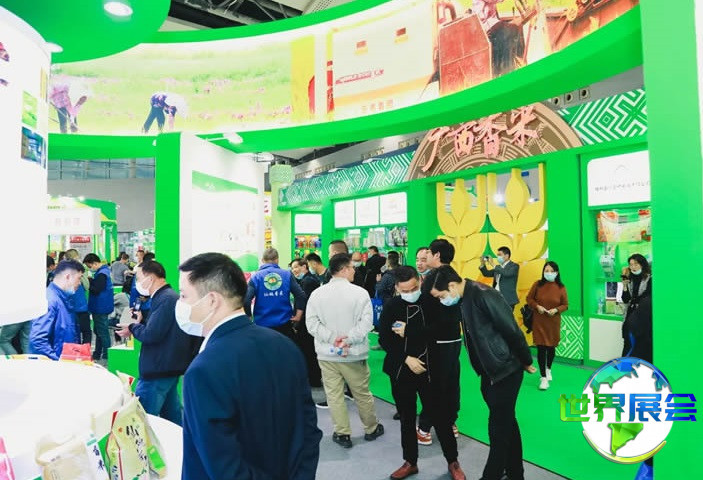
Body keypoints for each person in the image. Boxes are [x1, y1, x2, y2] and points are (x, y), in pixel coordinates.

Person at [177, 252, 321, 479]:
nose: (180, 303)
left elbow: (223, 466)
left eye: (184, 295)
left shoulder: (203, 370)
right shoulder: (285, 346)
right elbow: (308, 430)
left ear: (212, 300)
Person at [431, 265, 536, 480]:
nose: (442, 300)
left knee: (498, 429)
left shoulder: (484, 295)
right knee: (507, 423)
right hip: (489, 371)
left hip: (505, 369)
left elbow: (512, 330)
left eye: (441, 296)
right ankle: (515, 473)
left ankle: (492, 475)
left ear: (451, 285)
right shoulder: (465, 298)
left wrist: (526, 360)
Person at [379, 266, 465, 480]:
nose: (410, 293)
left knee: (441, 417)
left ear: (419, 281)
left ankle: (453, 462)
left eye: (413, 288)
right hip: (402, 370)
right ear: (397, 288)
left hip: (431, 370)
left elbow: (442, 329)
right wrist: (405, 358)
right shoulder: (392, 306)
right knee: (407, 419)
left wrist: (410, 330)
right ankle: (410, 462)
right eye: (405, 291)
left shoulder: (433, 301)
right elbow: (385, 339)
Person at [306, 253, 384, 448]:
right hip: (353, 353)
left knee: (334, 395)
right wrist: (348, 339)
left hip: (327, 353)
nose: (354, 271)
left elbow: (312, 324)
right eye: (352, 267)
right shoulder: (360, 293)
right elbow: (366, 323)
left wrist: (333, 338)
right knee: (362, 393)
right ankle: (371, 428)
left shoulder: (317, 294)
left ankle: (342, 433)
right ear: (344, 269)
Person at [116, 260, 201, 425]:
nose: (137, 282)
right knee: (173, 418)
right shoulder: (167, 297)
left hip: (157, 370)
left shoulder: (165, 299)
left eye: (138, 278)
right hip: (167, 367)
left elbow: (151, 334)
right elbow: (161, 329)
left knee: (144, 421)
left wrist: (132, 327)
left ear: (150, 278)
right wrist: (140, 323)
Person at [417, 239, 462, 445]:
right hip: (454, 337)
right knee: (452, 382)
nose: (424, 257)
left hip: (436, 338)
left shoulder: (434, 277)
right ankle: (450, 422)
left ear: (436, 255)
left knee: (434, 384)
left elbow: (425, 308)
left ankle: (425, 427)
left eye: (427, 253)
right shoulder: (456, 276)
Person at [244, 248, 306, 340]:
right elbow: (301, 295)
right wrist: (298, 316)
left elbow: (246, 299)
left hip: (262, 326)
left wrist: (249, 317)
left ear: (262, 260)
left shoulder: (256, 277)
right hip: (284, 325)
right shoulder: (287, 274)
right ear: (277, 260)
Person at [29, 260, 84, 360]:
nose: (79, 283)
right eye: (79, 278)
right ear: (68, 277)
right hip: (54, 364)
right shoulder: (50, 300)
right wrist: (57, 362)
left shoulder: (62, 299)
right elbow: (37, 340)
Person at [526, 261, 569, 390]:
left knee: (551, 347)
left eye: (551, 271)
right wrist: (537, 306)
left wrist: (556, 310)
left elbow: (565, 305)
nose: (548, 273)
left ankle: (548, 369)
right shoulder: (537, 285)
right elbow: (529, 299)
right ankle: (543, 378)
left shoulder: (561, 287)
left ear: (556, 273)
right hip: (539, 321)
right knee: (541, 348)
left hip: (553, 322)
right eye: (546, 271)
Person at [290, 257, 323, 388]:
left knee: (308, 351)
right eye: (292, 268)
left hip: (306, 322)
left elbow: (305, 303)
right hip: (307, 321)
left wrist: (298, 320)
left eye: (296, 267)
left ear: (304, 267)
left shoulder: (308, 281)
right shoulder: (307, 280)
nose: (294, 270)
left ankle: (313, 379)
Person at [83, 253, 114, 361]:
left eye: (90, 266)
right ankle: (98, 353)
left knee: (103, 333)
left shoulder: (102, 274)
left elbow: (96, 289)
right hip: (101, 306)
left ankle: (107, 355)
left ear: (95, 263)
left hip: (100, 307)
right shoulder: (104, 272)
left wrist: (88, 282)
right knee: (99, 332)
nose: (90, 269)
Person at [621, 254, 652, 356]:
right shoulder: (630, 279)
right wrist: (625, 286)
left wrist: (635, 300)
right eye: (631, 265)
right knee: (628, 343)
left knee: (641, 344)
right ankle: (626, 364)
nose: (633, 267)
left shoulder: (649, 279)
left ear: (642, 264)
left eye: (636, 264)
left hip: (642, 316)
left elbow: (646, 297)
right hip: (630, 315)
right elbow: (625, 299)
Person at [64, 249, 91, 345]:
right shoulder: (79, 271)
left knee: (75, 334)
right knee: (86, 332)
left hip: (71, 308)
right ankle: (85, 351)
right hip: (80, 307)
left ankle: (76, 352)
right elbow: (87, 286)